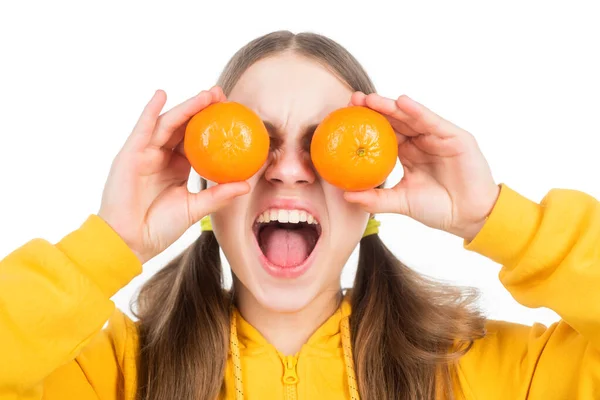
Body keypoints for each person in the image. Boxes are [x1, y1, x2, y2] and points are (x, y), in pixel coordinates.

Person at [0, 30, 598, 400]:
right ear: (208, 187)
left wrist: (493, 217)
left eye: (326, 144)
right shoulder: (111, 378)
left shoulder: (486, 374)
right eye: (254, 144)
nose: (289, 171)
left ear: (373, 191)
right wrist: (111, 244)